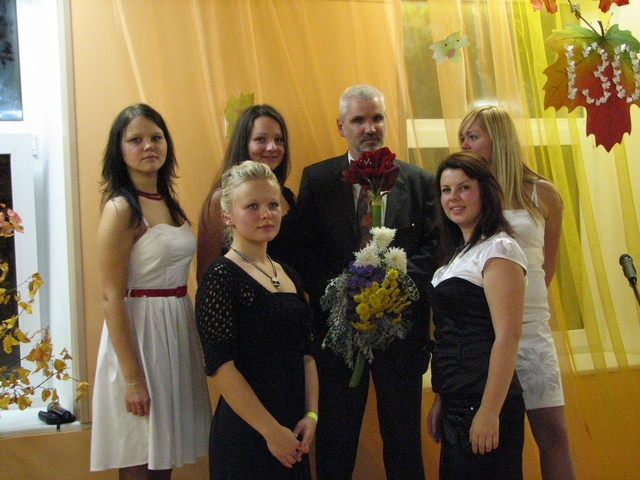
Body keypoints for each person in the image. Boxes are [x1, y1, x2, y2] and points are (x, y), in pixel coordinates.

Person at [296, 84, 438, 480]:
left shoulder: (419, 181)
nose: (369, 128)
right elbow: (304, 252)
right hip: (338, 338)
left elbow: (435, 248)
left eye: (376, 118)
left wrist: (393, 289)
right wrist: (345, 295)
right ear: (341, 126)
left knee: (404, 447)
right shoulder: (318, 180)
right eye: (358, 120)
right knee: (336, 446)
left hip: (401, 336)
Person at [90, 103, 211, 479]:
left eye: (156, 137)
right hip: (139, 338)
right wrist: (132, 378)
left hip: (174, 331)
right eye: (136, 139)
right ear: (119, 149)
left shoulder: (169, 203)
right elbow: (111, 297)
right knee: (140, 453)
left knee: (163, 456)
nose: (148, 146)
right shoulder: (120, 209)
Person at [459, 105, 576, 479]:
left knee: (553, 435)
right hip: (485, 334)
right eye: (462, 138)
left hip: (532, 331)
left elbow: (546, 267)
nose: (464, 145)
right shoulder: (470, 196)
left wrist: (519, 308)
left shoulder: (542, 192)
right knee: (493, 439)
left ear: (498, 139)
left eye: (473, 136)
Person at [195, 161, 319, 479]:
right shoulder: (220, 276)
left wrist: (311, 415)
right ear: (228, 215)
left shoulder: (288, 273)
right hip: (247, 435)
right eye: (252, 206)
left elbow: (307, 355)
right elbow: (221, 367)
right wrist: (270, 431)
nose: (266, 214)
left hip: (293, 432)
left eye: (273, 205)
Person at [427, 151, 527, 479]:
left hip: (486, 399)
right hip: (456, 400)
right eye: (446, 190)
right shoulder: (455, 257)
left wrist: (489, 411)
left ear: (484, 191)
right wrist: (442, 398)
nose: (453, 198)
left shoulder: (499, 249)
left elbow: (508, 336)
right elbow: (449, 334)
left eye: (464, 187)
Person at [197, 104, 296, 282]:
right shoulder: (220, 198)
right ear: (244, 143)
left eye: (279, 139)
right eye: (261, 139)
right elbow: (206, 271)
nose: (272, 147)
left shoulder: (289, 197)